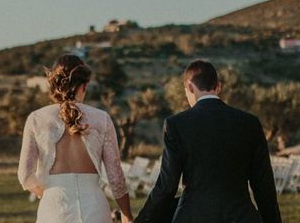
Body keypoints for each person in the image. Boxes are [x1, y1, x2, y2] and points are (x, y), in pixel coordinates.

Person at [136, 60, 282, 223]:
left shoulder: (177, 125)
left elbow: (166, 186)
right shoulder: (250, 123)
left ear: (190, 87)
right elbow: (264, 186)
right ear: (218, 87)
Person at [18, 54, 134, 223]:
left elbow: (24, 175)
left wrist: (46, 192)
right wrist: (127, 215)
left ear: (53, 85)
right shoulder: (101, 119)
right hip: (95, 212)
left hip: (54, 211)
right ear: (84, 85)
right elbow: (116, 178)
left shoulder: (36, 119)